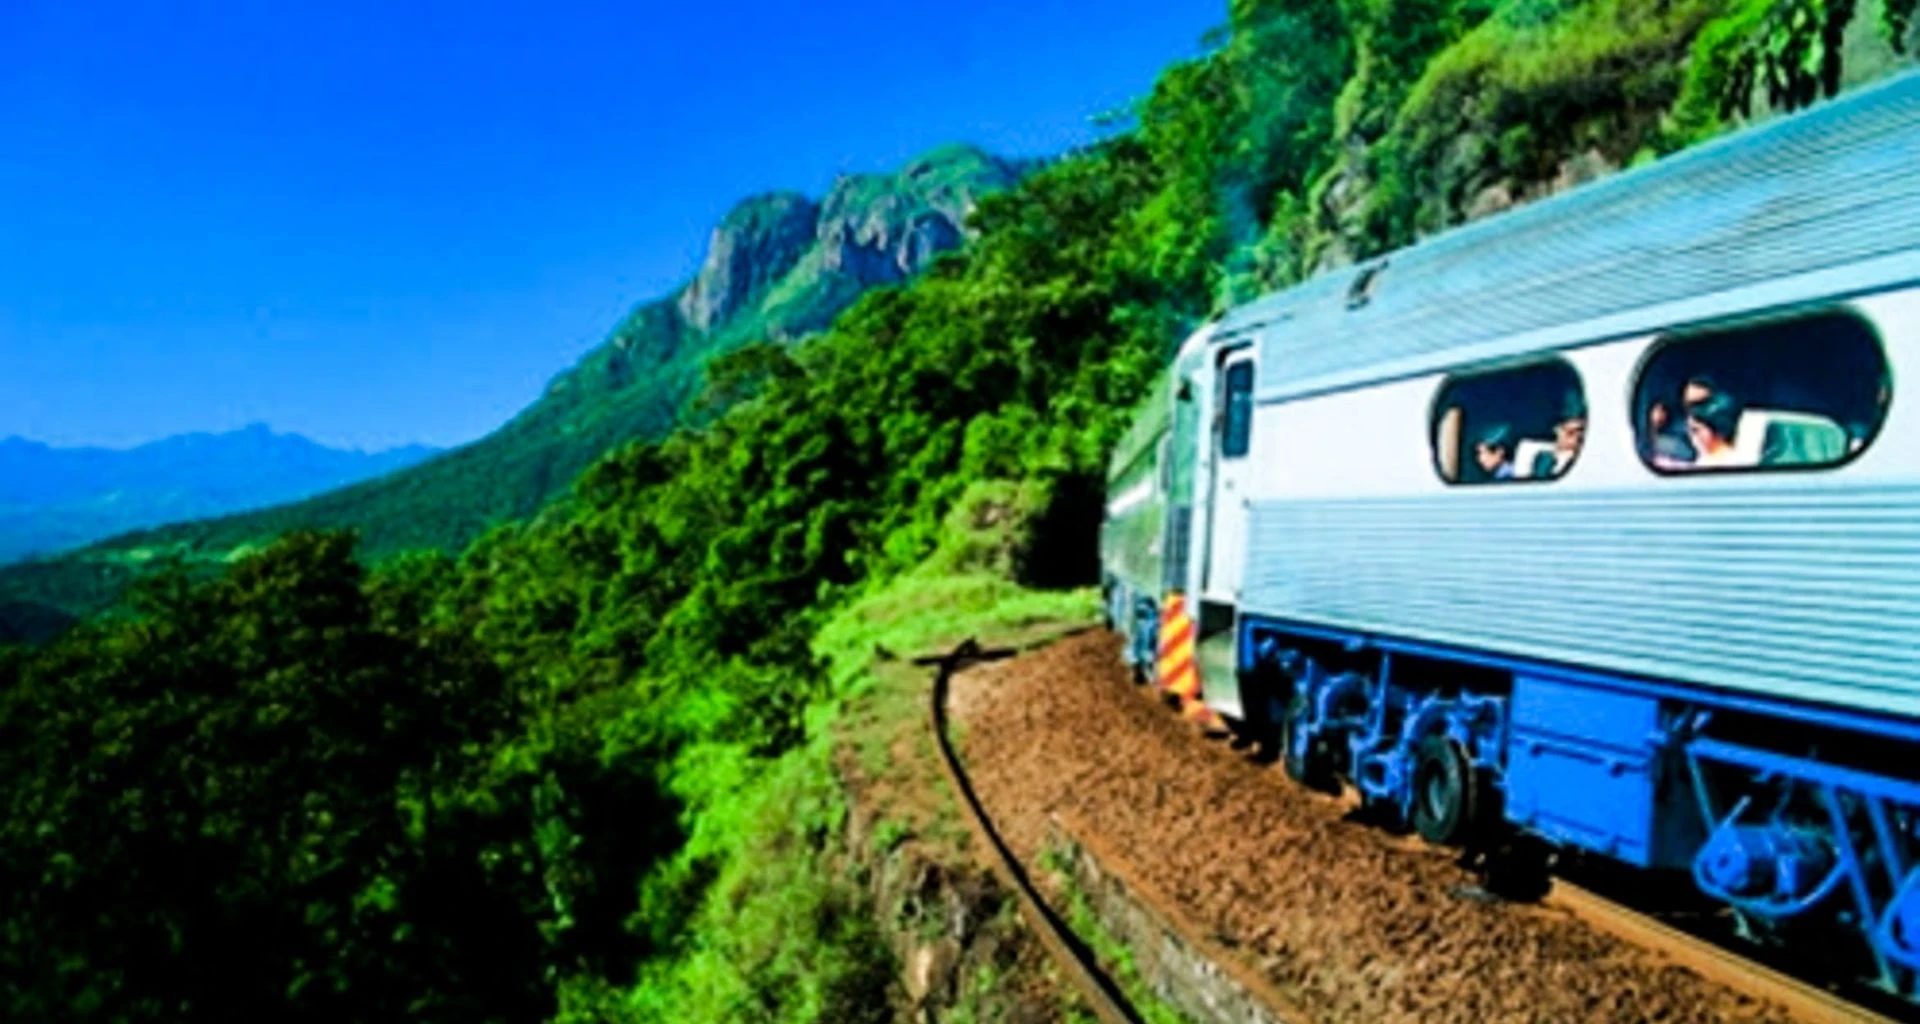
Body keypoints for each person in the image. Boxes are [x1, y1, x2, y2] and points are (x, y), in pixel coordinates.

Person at [1686, 391, 1744, 469]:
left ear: (1718, 430)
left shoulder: (1733, 462)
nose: (1692, 436)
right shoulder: (1704, 459)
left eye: (1696, 430)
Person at [1644, 400, 1695, 468]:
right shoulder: (1651, 442)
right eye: (1659, 411)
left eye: (1663, 411)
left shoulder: (1666, 442)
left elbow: (1688, 454)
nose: (1661, 414)